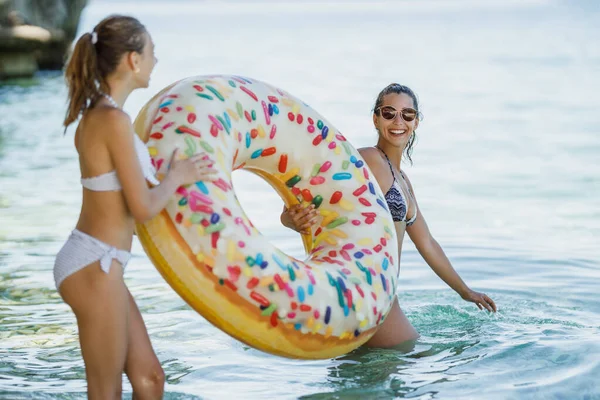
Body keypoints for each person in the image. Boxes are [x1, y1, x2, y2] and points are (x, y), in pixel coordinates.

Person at [55, 15, 216, 398]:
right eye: (151, 52)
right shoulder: (111, 119)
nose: (156, 61)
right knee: (106, 390)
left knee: (150, 379)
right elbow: (142, 207)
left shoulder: (104, 115)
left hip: (99, 262)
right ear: (132, 59)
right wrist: (178, 176)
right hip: (95, 263)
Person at [281, 83, 496, 348]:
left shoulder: (403, 180)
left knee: (379, 378)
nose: (398, 121)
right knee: (423, 364)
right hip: (366, 294)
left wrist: (465, 291)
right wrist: (289, 219)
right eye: (388, 113)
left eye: (407, 115)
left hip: (381, 299)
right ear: (375, 118)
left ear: (416, 122)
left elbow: (426, 242)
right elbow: (308, 185)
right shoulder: (368, 160)